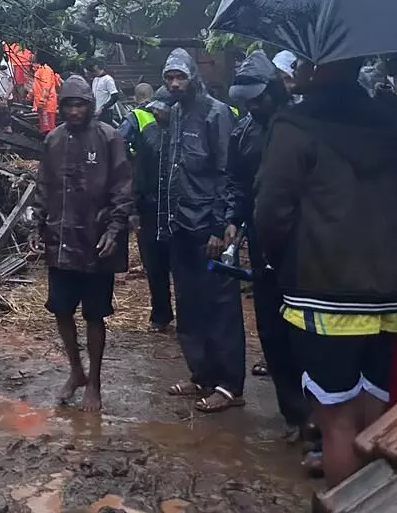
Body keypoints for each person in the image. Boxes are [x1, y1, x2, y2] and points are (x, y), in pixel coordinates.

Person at [254, 58, 397, 488]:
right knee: (372, 410)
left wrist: (280, 257)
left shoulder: (295, 125)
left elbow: (271, 209)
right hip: (386, 285)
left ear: (317, 66)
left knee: (336, 423)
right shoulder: (394, 117)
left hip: (321, 286)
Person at [33, 75, 133, 412]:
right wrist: (38, 223)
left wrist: (115, 229)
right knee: (60, 308)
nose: (74, 111)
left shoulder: (109, 138)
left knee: (94, 314)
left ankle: (95, 382)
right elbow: (44, 185)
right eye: (68, 105)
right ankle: (75, 371)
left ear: (91, 106)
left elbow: (123, 188)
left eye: (80, 104)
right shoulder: (53, 140)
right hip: (61, 240)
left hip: (95, 240)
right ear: (60, 108)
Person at [157, 47, 247, 414]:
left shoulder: (216, 113)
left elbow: (226, 172)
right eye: (169, 78)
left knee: (221, 307)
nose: (175, 83)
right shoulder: (175, 114)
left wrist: (217, 225)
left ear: (194, 77)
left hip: (208, 229)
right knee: (189, 304)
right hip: (180, 226)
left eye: (180, 77)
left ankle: (230, 385)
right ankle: (202, 375)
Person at [226, 51, 307, 443]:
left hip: (305, 244)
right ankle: (293, 414)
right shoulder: (244, 132)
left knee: (306, 333)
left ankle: (318, 416)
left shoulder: (304, 122)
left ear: (275, 91)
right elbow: (238, 184)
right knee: (272, 331)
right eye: (247, 101)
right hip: (262, 245)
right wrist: (230, 219)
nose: (253, 106)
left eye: (259, 98)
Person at [120, 88, 172, 332]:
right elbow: (138, 174)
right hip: (150, 207)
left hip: (178, 210)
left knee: (181, 267)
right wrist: (133, 209)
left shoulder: (186, 132)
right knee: (154, 265)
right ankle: (160, 314)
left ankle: (189, 318)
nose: (157, 112)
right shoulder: (147, 133)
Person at [31, 61, 62, 134]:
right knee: (45, 127)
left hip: (46, 105)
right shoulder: (40, 70)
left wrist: (42, 103)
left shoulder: (45, 70)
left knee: (48, 128)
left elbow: (46, 88)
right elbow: (35, 86)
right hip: (43, 104)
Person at [90, 59, 121, 125]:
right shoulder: (95, 79)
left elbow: (115, 96)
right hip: (96, 112)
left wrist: (103, 107)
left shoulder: (108, 79)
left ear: (97, 66)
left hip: (106, 112)